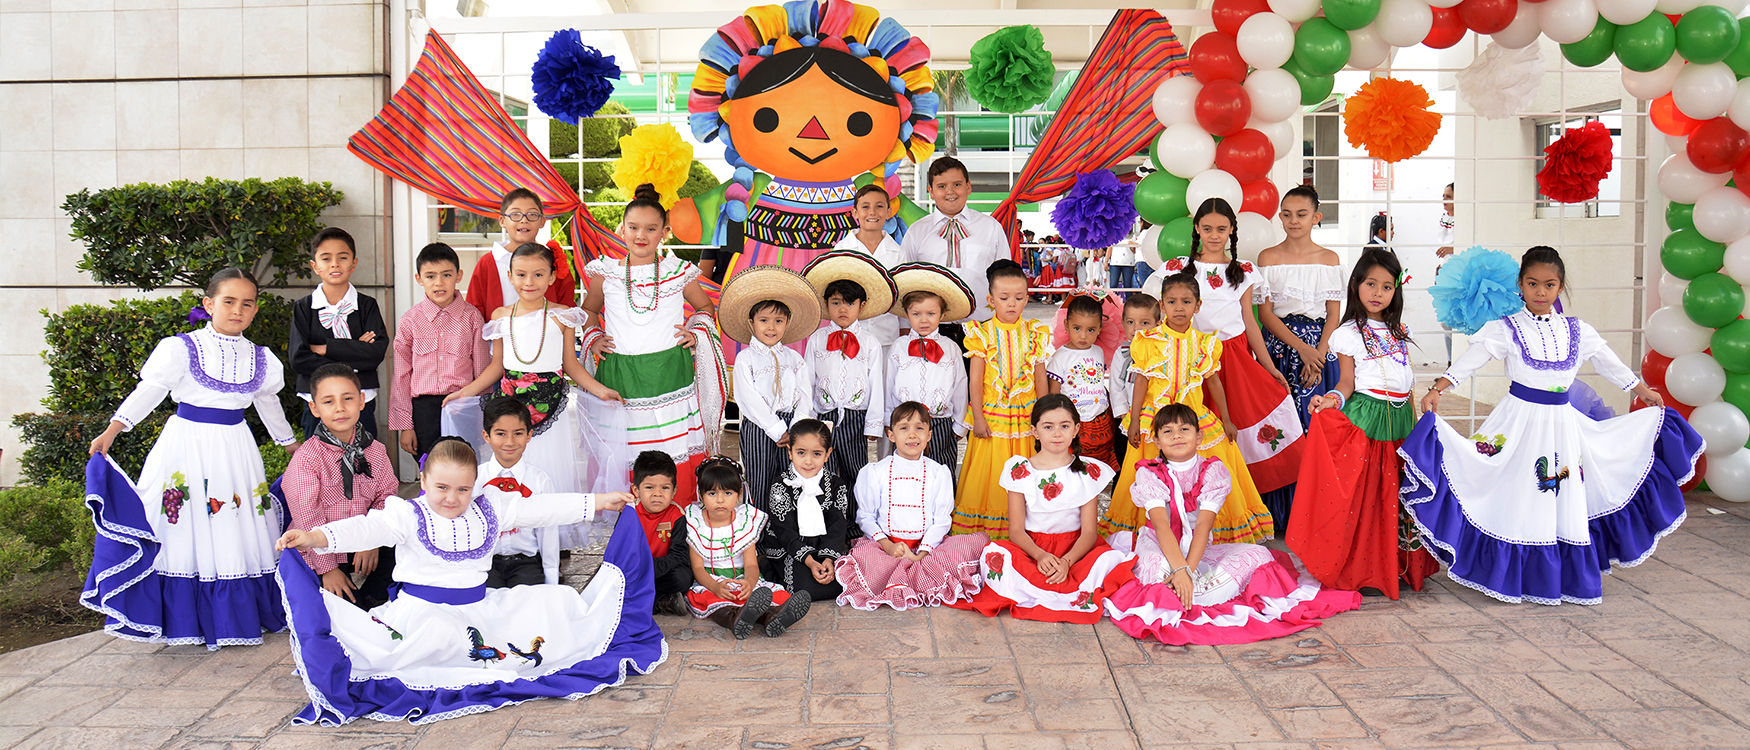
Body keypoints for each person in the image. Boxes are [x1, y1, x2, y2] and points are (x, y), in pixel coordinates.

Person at [272, 439, 657, 726]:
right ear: (423, 480)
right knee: (437, 633)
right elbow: (364, 528)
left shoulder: (491, 507)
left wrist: (596, 502)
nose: (452, 498)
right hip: (422, 613)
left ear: (475, 484)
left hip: (478, 607)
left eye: (462, 488)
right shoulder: (407, 514)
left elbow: (539, 509)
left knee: (555, 601)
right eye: (441, 488)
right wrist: (314, 537)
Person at [1405, 246, 1700, 605]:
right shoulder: (1505, 328)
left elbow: (1609, 363)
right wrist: (1440, 386)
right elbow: (1473, 359)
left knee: (1561, 495)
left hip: (1563, 426)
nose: (1540, 292)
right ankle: (1513, 571)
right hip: (1519, 423)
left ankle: (1559, 574)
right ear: (1520, 285)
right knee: (1516, 489)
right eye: (1532, 284)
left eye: (1549, 285)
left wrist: (1641, 389)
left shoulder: (1578, 331)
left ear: (1560, 287)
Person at [84, 268, 295, 649]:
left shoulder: (263, 359)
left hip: (236, 451)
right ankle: (182, 617)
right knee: (184, 527)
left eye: (247, 304)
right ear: (208, 304)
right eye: (228, 301)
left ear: (255, 310)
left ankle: (236, 614)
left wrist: (291, 447)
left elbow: (269, 405)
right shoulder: (180, 348)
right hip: (186, 447)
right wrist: (114, 429)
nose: (237, 310)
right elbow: (150, 390)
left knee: (234, 524)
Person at [1104, 404, 1362, 644]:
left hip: (1198, 545)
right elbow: (1161, 526)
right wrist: (1179, 569)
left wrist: (1188, 571)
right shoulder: (1149, 472)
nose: (1177, 436)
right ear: (1157, 440)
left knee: (1258, 553)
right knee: (1156, 568)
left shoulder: (1212, 471)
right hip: (1161, 546)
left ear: (1199, 437)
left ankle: (1188, 590)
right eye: (1168, 431)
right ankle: (1183, 592)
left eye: (1185, 429)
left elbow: (1204, 526)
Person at [1287, 249, 1439, 598]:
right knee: (1368, 498)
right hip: (1367, 418)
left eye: (1386, 286)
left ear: (1395, 291)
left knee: (1398, 497)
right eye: (1371, 284)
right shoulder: (1349, 334)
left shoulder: (1400, 331)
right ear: (1356, 285)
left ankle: (1396, 566)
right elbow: (1346, 383)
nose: (1377, 293)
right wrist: (1331, 401)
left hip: (1401, 421)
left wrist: (1415, 424)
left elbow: (1407, 382)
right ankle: (1364, 569)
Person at [446, 243, 620, 544]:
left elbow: (571, 365)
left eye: (538, 274)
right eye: (522, 275)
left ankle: (553, 536)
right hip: (511, 409)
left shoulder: (563, 316)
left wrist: (601, 391)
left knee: (551, 468)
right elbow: (496, 367)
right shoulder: (501, 317)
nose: (530, 282)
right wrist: (465, 392)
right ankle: (516, 535)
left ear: (552, 277)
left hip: (551, 406)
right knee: (516, 466)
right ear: (511, 277)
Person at [1143, 199, 1303, 522]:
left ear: (1232, 230)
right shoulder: (1177, 268)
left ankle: (1234, 508)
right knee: (1191, 429)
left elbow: (1250, 319)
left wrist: (1268, 366)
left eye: (1221, 229)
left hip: (1232, 358)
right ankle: (1187, 507)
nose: (1214, 235)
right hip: (1187, 361)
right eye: (1207, 229)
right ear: (1197, 230)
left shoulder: (1242, 271)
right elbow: (1159, 313)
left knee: (1235, 430)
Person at [1101, 272, 1272, 544]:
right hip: (1155, 420)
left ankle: (1205, 528)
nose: (1179, 307)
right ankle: (1150, 530)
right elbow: (1142, 381)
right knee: (1150, 473)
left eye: (1186, 301)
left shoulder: (1205, 343)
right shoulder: (1148, 341)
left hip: (1194, 418)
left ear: (1198, 305)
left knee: (1205, 470)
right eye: (1172, 301)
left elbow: (1213, 382)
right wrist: (1134, 420)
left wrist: (1226, 419)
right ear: (1162, 305)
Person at [582, 184, 718, 502]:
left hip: (670, 373)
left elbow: (706, 307)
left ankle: (676, 517)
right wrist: (593, 335)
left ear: (664, 233)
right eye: (633, 227)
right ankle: (630, 519)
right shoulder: (607, 273)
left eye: (651, 228)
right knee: (628, 449)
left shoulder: (677, 272)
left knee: (671, 448)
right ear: (622, 229)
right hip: (621, 376)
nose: (641, 235)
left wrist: (695, 332)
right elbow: (588, 309)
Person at [958, 394, 1134, 623]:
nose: (1057, 433)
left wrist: (1067, 562)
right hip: (1033, 550)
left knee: (1108, 559)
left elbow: (1090, 533)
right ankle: (1048, 586)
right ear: (1034, 431)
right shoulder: (1019, 470)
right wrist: (1040, 556)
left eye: (1064, 426)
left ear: (1076, 429)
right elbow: (1016, 530)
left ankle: (1049, 586)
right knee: (996, 554)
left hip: (1075, 551)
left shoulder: (1087, 472)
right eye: (1048, 426)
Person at [836, 401, 988, 610]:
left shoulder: (938, 473)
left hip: (927, 550)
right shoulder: (874, 472)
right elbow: (866, 517)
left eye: (919, 428)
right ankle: (898, 579)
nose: (912, 435)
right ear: (891, 435)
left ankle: (921, 571)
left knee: (974, 544)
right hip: (886, 549)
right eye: (904, 428)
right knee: (867, 560)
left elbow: (942, 520)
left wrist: (920, 555)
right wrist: (888, 546)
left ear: (929, 435)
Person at [1256, 186, 1343, 528]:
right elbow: (1265, 314)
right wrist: (1301, 349)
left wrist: (1318, 354)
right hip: (1280, 348)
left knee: (1315, 427)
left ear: (1316, 218)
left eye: (1301, 214)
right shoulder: (1268, 257)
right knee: (1280, 428)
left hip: (1320, 350)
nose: (1293, 221)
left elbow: (1334, 314)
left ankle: (1316, 510)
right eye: (1287, 214)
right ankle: (1282, 513)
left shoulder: (1329, 259)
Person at [285, 363, 399, 610]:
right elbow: (308, 520)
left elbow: (386, 499)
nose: (339, 408)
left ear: (361, 401)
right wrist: (329, 570)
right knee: (337, 611)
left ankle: (372, 599)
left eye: (347, 398)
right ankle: (350, 600)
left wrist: (372, 540)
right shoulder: (306, 459)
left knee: (404, 544)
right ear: (314, 408)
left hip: (361, 542)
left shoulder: (376, 452)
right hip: (320, 551)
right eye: (328, 401)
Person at [955, 260, 1054, 539]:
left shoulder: (1036, 333)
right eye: (1004, 297)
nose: (1012, 303)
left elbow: (1040, 380)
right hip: (992, 418)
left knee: (1026, 470)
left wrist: (1044, 420)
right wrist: (978, 418)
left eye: (1020, 297)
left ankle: (1023, 530)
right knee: (989, 474)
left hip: (1025, 420)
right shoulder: (981, 334)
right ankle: (986, 534)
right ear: (990, 299)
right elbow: (975, 380)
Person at [720, 266, 820, 510]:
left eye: (778, 321)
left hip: (791, 428)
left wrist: (796, 427)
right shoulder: (746, 359)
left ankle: (785, 534)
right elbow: (749, 399)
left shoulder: (795, 359)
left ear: (788, 323)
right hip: (759, 426)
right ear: (751, 322)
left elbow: (805, 395)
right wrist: (775, 429)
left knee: (790, 480)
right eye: (764, 320)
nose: (771, 327)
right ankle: (760, 532)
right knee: (759, 478)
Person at [684, 456, 813, 638]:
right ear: (701, 495)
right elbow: (697, 568)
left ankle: (771, 617)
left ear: (739, 495)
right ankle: (734, 618)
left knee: (762, 595)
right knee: (716, 602)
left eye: (727, 493)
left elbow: (752, 564)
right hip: (711, 580)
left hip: (743, 577)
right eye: (712, 494)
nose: (720, 500)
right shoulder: (695, 522)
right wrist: (715, 586)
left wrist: (750, 583)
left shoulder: (744, 521)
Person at [802, 251, 896, 483]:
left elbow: (876, 384)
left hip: (857, 417)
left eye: (850, 303)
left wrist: (873, 426)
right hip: (824, 416)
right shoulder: (816, 339)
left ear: (862, 306)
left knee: (856, 470)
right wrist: (808, 416)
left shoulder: (869, 342)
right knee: (823, 471)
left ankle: (854, 518)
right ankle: (826, 517)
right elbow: (808, 380)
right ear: (827, 304)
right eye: (836, 303)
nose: (843, 309)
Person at [390, 242, 490, 461]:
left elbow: (483, 372)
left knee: (466, 464)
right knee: (431, 466)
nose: (439, 283)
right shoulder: (410, 321)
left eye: (446, 274)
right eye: (430, 276)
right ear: (419, 279)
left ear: (458, 275)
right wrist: (405, 425)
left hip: (462, 405)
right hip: (424, 410)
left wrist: (483, 417)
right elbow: (401, 376)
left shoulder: (472, 318)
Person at [902, 157, 1008, 357]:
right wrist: (905, 328)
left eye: (957, 184)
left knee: (980, 386)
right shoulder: (917, 232)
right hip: (931, 330)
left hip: (983, 329)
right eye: (941, 186)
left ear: (968, 187)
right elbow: (905, 284)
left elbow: (1005, 281)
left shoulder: (990, 227)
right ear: (930, 191)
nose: (950, 192)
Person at [291, 227, 388, 439]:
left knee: (364, 461)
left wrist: (325, 348)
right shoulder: (304, 307)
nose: (335, 264)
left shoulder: (367, 305)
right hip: (317, 402)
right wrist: (354, 350)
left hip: (360, 401)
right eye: (326, 258)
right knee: (319, 464)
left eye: (342, 257)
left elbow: (375, 353)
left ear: (353, 263)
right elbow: (299, 359)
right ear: (315, 266)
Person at [886, 263, 974, 481]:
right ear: (906, 314)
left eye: (931, 313)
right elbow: (888, 385)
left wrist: (959, 425)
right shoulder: (898, 347)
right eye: (916, 314)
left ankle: (942, 514)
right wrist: (890, 421)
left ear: (942, 314)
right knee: (905, 475)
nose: (923, 320)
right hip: (905, 425)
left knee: (941, 474)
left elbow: (960, 387)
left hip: (941, 423)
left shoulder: (951, 347)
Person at [757, 419, 854, 602]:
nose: (808, 461)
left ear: (827, 455)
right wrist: (809, 561)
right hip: (790, 549)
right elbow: (785, 532)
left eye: (817, 454)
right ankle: (771, 571)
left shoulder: (836, 485)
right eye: (801, 453)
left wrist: (827, 560)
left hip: (823, 549)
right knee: (805, 590)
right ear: (790, 453)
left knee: (847, 582)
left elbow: (837, 526)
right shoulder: (781, 485)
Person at [477, 396, 560, 588]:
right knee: (486, 603)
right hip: (485, 562)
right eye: (500, 434)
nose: (510, 442)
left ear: (529, 435)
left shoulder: (540, 480)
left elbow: (548, 534)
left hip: (526, 563)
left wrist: (551, 582)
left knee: (528, 603)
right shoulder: (475, 479)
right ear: (486, 436)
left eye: (518, 433)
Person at [465, 188, 575, 319]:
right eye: (515, 214)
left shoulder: (552, 261)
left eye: (532, 214)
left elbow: (567, 308)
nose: (524, 220)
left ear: (542, 222)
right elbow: (474, 311)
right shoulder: (489, 263)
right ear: (502, 221)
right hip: (499, 338)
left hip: (546, 337)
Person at [831, 184, 906, 352]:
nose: (872, 212)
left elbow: (904, 298)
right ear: (855, 213)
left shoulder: (899, 253)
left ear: (889, 212)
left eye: (879, 206)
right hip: (850, 338)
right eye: (865, 207)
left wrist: (905, 335)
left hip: (888, 340)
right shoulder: (842, 251)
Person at [1047, 295, 1116, 467]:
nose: (1083, 335)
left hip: (1102, 421)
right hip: (1075, 425)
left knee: (1098, 468)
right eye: (1077, 328)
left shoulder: (1098, 351)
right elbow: (1054, 395)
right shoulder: (1059, 358)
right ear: (1066, 325)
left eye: (1091, 330)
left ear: (1100, 328)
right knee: (1074, 467)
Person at [631, 450, 693, 617]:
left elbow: (680, 555)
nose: (657, 494)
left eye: (665, 488)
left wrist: (651, 568)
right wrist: (641, 569)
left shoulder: (677, 516)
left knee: (683, 577)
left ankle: (652, 602)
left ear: (674, 491)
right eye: (649, 487)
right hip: (637, 571)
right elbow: (623, 551)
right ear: (636, 490)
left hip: (662, 573)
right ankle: (663, 601)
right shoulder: (629, 514)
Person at [1435, 183, 1457, 365]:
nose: (1445, 201)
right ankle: (1451, 361)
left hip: (1458, 276)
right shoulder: (1445, 218)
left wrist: (1452, 248)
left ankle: (1455, 362)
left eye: (1449, 197)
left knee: (1453, 321)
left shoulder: (1464, 220)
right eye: (1444, 196)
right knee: (1445, 320)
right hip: (1445, 273)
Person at [1109, 228, 1138, 293]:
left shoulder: (1133, 235)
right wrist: (1106, 261)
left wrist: (1131, 246)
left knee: (1128, 286)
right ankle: (1112, 302)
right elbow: (1110, 248)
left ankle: (1128, 302)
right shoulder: (1114, 234)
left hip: (1128, 263)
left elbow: (1135, 250)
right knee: (1113, 285)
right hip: (1115, 263)